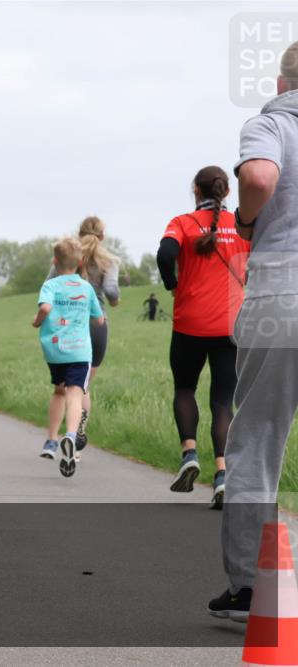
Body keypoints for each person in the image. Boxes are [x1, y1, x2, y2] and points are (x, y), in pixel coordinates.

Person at [210, 41, 298, 621]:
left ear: (280, 77)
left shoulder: (271, 122)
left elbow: (260, 177)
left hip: (281, 289)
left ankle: (249, 588)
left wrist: (244, 219)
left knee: (258, 441)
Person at [157, 166, 250, 508]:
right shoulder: (243, 225)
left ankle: (189, 454)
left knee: (185, 389)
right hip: (231, 326)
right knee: (223, 401)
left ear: (195, 190)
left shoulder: (181, 222)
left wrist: (172, 283)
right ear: (226, 192)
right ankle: (223, 474)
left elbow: (166, 255)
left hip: (189, 323)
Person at [46, 216, 121, 459]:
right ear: (103, 236)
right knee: (82, 386)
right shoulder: (108, 261)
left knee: (64, 387)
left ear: (79, 232)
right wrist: (115, 300)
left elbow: (49, 284)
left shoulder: (66, 257)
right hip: (96, 325)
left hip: (66, 324)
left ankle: (59, 438)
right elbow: (110, 290)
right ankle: (76, 438)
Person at [33, 237, 106, 477]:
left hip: (55, 350)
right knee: (76, 393)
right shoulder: (86, 288)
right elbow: (99, 319)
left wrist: (37, 321)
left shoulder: (51, 285)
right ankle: (71, 437)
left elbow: (44, 308)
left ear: (55, 261)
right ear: (81, 262)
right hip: (80, 351)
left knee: (59, 390)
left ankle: (52, 441)